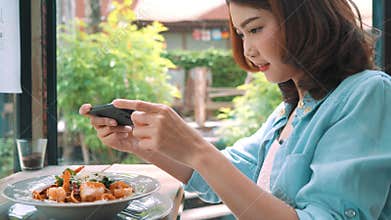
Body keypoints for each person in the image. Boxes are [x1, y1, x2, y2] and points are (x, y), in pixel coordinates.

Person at [79, 0, 391, 219]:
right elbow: (228, 176)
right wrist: (139, 144)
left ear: (304, 18)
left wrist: (198, 149)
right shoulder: (289, 111)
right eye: (241, 34)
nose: (247, 50)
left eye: (255, 29)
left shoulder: (368, 93)